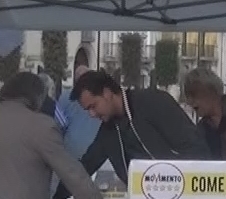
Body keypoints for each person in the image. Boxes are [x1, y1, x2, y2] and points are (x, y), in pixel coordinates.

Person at [73, 69, 206, 178]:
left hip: (184, 195)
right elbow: (86, 167)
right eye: (87, 110)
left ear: (107, 93)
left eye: (93, 106)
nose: (92, 114)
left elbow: (196, 148)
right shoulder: (109, 132)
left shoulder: (154, 103)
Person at [54, 54, 102, 160]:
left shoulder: (66, 97)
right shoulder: (100, 98)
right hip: (96, 152)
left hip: (72, 153)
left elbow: (57, 124)